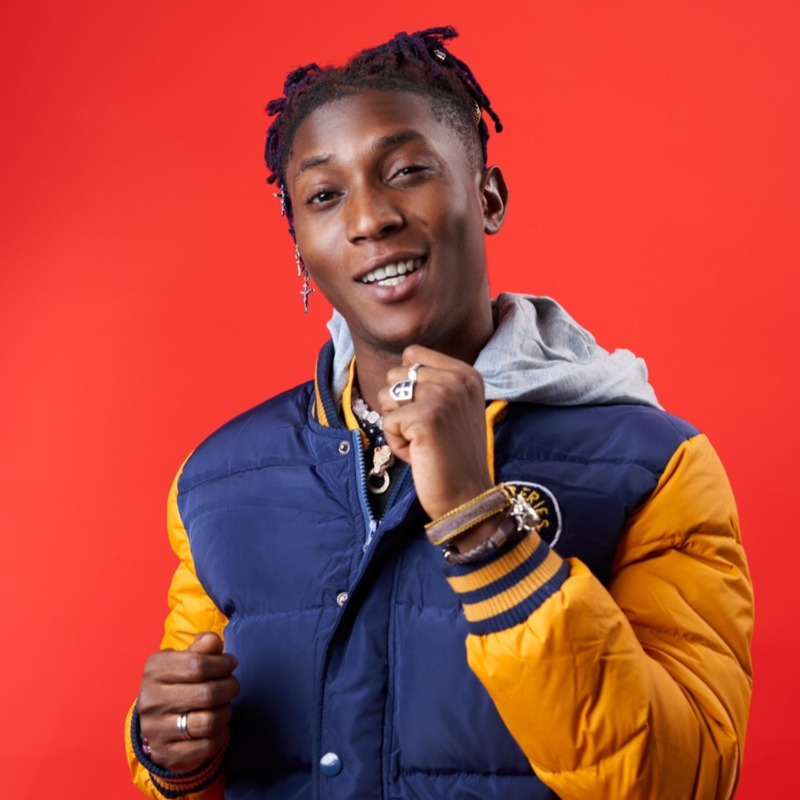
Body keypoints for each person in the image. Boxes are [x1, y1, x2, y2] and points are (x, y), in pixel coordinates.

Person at [125, 26, 753, 800]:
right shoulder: (220, 482)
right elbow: (194, 757)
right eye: (324, 195)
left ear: (488, 197)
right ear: (299, 245)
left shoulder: (652, 466)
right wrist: (173, 754)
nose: (370, 219)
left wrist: (484, 530)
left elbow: (686, 778)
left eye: (406, 173)